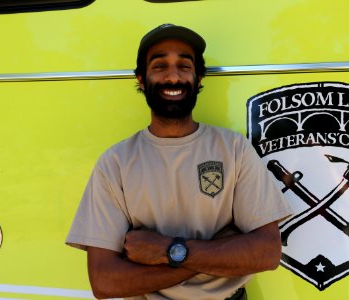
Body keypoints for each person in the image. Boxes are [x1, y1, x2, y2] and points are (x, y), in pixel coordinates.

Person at [66, 23, 294, 300]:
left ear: (198, 78)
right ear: (141, 78)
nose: (173, 77)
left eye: (184, 66)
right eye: (159, 66)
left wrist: (168, 251)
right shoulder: (115, 163)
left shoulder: (233, 149)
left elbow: (266, 253)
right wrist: (216, 254)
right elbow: (105, 282)